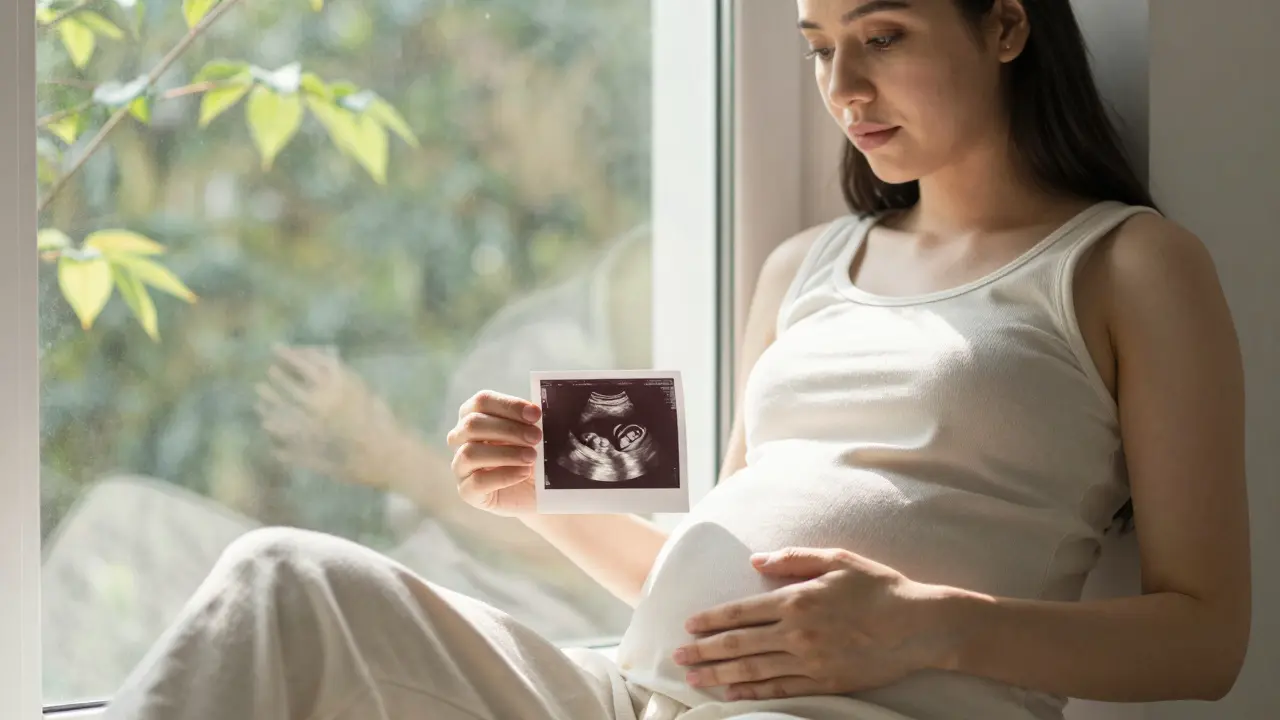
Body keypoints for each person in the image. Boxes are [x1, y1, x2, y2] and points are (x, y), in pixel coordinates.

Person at [102, 1, 1252, 719]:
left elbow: (1204, 640)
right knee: (281, 583)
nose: (843, 89)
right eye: (817, 48)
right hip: (641, 696)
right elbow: (708, 583)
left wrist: (922, 624)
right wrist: (542, 496)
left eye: (881, 37)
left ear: (1003, 26)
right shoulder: (801, 267)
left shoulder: (1126, 265)